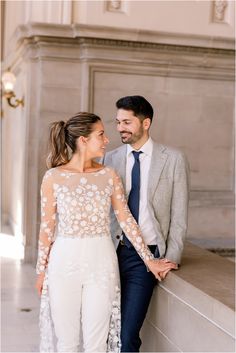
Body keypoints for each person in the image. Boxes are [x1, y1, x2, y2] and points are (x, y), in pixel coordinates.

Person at [35, 112, 177, 353]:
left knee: (97, 343)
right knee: (67, 342)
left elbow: (126, 220)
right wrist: (41, 273)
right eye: (100, 134)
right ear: (83, 140)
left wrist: (149, 260)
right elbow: (46, 230)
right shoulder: (53, 177)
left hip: (101, 264)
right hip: (63, 264)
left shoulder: (108, 175)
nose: (107, 139)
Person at [103, 96, 189, 352]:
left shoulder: (173, 159)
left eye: (127, 122)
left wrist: (171, 257)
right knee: (106, 331)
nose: (120, 128)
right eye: (118, 122)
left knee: (128, 334)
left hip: (148, 257)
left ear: (146, 122)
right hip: (110, 254)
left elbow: (179, 215)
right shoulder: (110, 159)